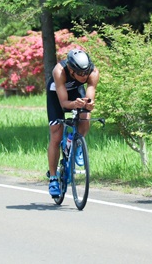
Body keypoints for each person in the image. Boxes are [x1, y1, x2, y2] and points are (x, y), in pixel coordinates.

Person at [46, 49, 100, 197]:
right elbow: (63, 102)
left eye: (86, 72)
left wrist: (87, 105)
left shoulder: (93, 72)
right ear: (71, 70)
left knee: (85, 117)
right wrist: (73, 104)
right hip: (57, 94)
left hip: (76, 92)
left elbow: (89, 97)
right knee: (56, 135)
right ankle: (53, 178)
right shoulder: (59, 71)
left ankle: (75, 142)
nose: (84, 76)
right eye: (80, 73)